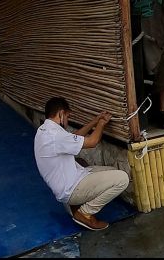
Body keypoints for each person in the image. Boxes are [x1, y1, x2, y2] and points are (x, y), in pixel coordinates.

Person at [34, 97, 130, 231]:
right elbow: (92, 142)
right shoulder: (55, 135)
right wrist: (101, 124)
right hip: (71, 189)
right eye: (67, 116)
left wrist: (95, 121)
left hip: (68, 183)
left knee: (111, 171)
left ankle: (77, 205)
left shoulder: (45, 130)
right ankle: (85, 213)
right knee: (122, 179)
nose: (67, 121)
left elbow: (74, 137)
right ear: (61, 114)